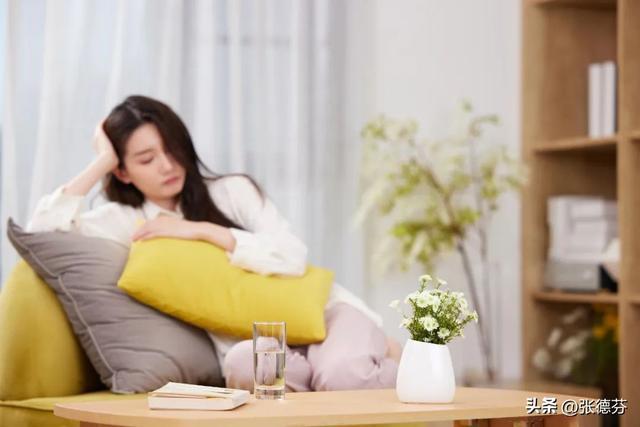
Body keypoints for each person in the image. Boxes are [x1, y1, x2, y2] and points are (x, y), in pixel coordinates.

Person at [26, 95, 401, 392]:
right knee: (247, 368)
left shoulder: (231, 191)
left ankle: (385, 363)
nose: (167, 165)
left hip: (325, 316)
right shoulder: (126, 221)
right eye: (146, 159)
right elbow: (42, 229)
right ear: (122, 172)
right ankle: (354, 374)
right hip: (254, 340)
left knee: (340, 375)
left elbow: (292, 257)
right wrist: (102, 161)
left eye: (172, 149)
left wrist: (204, 231)